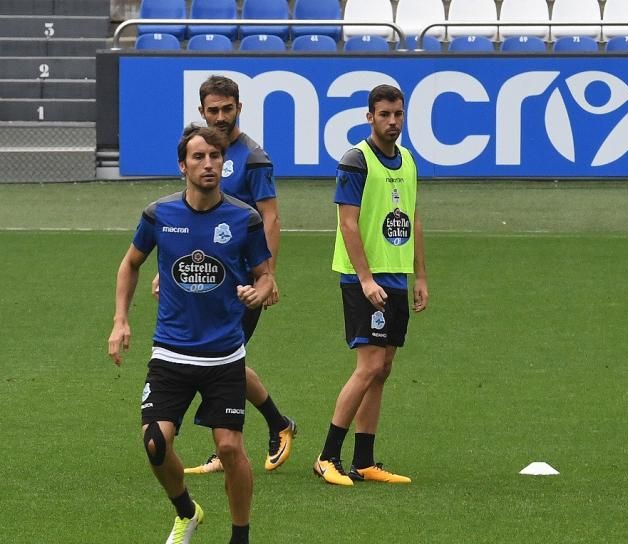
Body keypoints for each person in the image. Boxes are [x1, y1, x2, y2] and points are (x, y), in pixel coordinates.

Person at [108, 125, 274, 544]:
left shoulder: (244, 218)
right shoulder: (159, 215)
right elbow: (130, 264)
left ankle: (240, 541)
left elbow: (265, 274)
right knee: (154, 446)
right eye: (199, 157)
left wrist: (261, 290)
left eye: (215, 157)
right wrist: (120, 320)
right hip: (171, 354)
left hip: (224, 356)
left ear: (224, 163)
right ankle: (186, 511)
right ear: (183, 166)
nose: (208, 165)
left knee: (230, 449)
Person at [159, 75, 296, 476]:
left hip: (239, 284)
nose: (220, 117)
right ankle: (273, 425)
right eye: (213, 110)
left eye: (227, 109)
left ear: (239, 108)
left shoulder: (253, 157)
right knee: (219, 362)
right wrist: (167, 274)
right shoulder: (202, 149)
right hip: (203, 281)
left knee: (222, 360)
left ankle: (259, 431)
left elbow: (270, 216)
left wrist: (266, 276)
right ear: (201, 111)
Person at [313, 84, 428, 487]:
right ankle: (327, 456)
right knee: (369, 366)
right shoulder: (356, 161)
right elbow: (348, 223)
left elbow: (412, 219)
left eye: (398, 114)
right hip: (364, 278)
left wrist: (421, 277)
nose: (393, 121)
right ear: (370, 117)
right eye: (384, 115)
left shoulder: (409, 160)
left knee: (384, 369)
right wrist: (364, 279)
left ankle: (364, 461)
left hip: (395, 277)